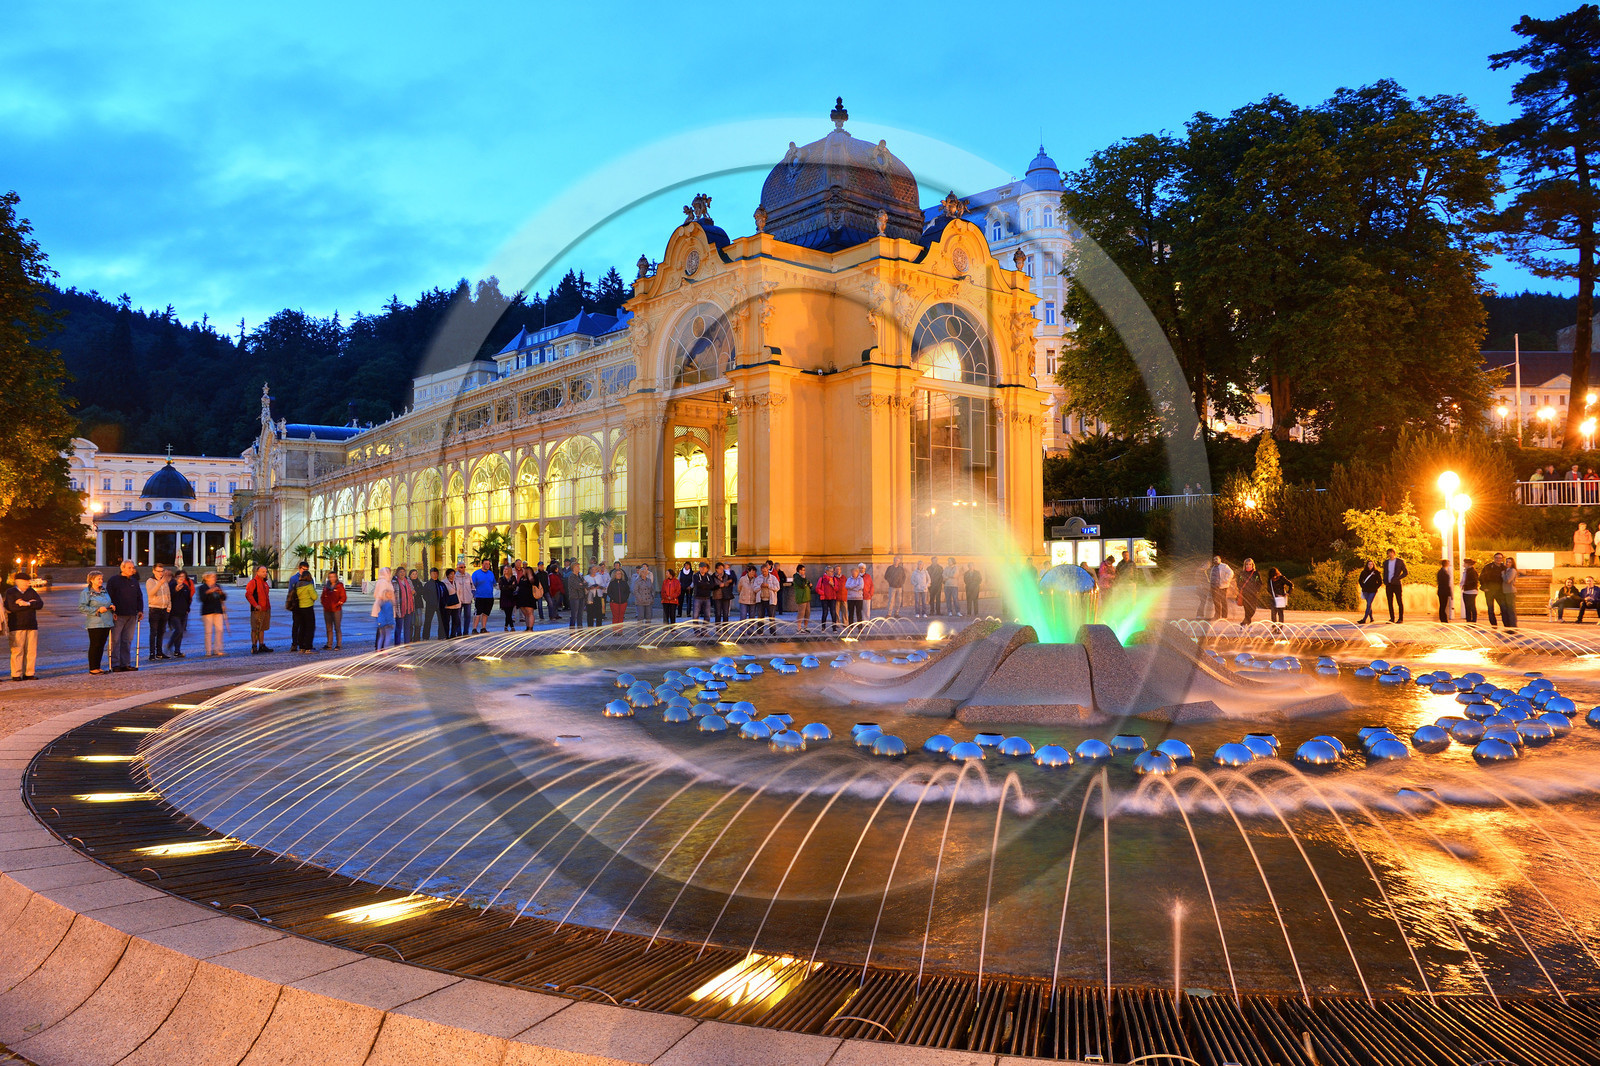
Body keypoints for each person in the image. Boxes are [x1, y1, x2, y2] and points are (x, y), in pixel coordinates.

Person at [4, 572, 43, 681]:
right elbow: (12, 608)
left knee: (31, 650)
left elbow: (40, 604)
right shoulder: (11, 592)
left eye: (28, 582)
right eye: (25, 582)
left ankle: (29, 673)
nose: (27, 584)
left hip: (32, 625)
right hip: (16, 625)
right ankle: (16, 674)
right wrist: (30, 605)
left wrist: (26, 604)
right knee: (17, 650)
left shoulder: (31, 591)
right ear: (18, 582)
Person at [106, 560, 144, 670]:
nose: (132, 570)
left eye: (133, 567)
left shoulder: (134, 581)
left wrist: (140, 610)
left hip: (131, 615)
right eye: (129, 568)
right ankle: (115, 664)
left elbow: (139, 596)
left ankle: (125, 663)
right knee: (115, 640)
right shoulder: (114, 580)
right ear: (122, 568)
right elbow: (108, 597)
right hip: (118, 615)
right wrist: (112, 611)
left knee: (127, 640)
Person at [79, 570, 114, 673]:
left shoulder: (104, 591)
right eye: (98, 579)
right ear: (91, 580)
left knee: (101, 645)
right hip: (95, 623)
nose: (101, 581)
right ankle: (93, 668)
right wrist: (97, 610)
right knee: (95, 645)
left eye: (101, 578)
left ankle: (98, 666)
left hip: (106, 621)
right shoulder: (86, 592)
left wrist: (111, 606)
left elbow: (107, 601)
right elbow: (82, 607)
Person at [286, 561, 317, 654]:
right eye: (304, 569)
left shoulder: (305, 581)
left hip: (301, 606)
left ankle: (302, 645)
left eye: (307, 569)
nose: (305, 571)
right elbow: (314, 595)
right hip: (299, 607)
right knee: (300, 625)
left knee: (303, 626)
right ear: (299, 568)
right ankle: (298, 644)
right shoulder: (294, 579)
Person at [146, 563, 172, 660]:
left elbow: (168, 594)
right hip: (154, 609)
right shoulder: (150, 581)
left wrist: (169, 607)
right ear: (154, 571)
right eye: (158, 571)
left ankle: (159, 652)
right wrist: (159, 583)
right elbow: (151, 593)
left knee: (161, 632)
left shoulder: (164, 581)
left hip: (164, 609)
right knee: (153, 632)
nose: (160, 573)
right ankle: (152, 653)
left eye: (162, 571)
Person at [167, 568, 194, 657]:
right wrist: (176, 590)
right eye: (179, 576)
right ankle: (169, 645)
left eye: (183, 576)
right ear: (175, 577)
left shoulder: (185, 587)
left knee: (181, 632)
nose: (181, 578)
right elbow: (169, 597)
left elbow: (188, 599)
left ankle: (177, 651)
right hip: (174, 613)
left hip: (183, 613)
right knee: (178, 630)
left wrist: (187, 609)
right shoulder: (172, 585)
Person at [245, 565, 273, 653]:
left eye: (266, 572)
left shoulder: (265, 583)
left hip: (265, 609)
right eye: (263, 572)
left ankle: (261, 645)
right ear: (258, 572)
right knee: (255, 628)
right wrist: (255, 605)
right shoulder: (253, 582)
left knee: (262, 628)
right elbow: (248, 595)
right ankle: (254, 646)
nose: (265, 573)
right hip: (257, 610)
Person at [199, 572, 227, 656]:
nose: (214, 578)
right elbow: (202, 599)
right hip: (207, 611)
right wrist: (209, 591)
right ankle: (208, 650)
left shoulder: (218, 586)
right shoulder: (202, 587)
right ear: (206, 578)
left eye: (215, 577)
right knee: (208, 631)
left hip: (218, 610)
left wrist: (221, 593)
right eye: (212, 577)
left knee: (220, 630)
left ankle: (217, 649)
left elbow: (223, 598)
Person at [321, 570, 346, 650]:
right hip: (327, 610)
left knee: (337, 627)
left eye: (333, 577)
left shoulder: (339, 586)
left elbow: (343, 597)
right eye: (330, 577)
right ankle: (329, 644)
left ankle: (338, 644)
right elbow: (322, 597)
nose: (332, 578)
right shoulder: (326, 587)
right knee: (329, 628)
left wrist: (338, 604)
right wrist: (325, 604)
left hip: (336, 610)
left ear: (336, 577)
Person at [371, 566, 396, 649]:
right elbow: (382, 594)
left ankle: (380, 647)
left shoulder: (386, 582)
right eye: (388, 572)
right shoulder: (383, 582)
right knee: (383, 629)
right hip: (383, 608)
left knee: (382, 629)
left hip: (384, 607)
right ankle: (381, 647)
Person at [1382, 549, 1408, 624]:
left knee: (1399, 601)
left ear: (1394, 553)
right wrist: (1385, 580)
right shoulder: (1386, 562)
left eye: (1391, 553)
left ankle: (1400, 618)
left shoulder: (1400, 561)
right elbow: (1385, 573)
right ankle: (1392, 618)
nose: (1390, 554)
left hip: (1397, 584)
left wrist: (1398, 578)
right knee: (1390, 602)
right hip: (1389, 584)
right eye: (1388, 553)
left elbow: (1405, 572)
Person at [471, 559, 497, 634]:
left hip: (489, 597)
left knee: (486, 613)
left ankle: (483, 628)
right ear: (482, 564)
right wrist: (473, 595)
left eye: (488, 564)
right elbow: (472, 585)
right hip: (479, 596)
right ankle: (474, 628)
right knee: (478, 613)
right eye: (485, 564)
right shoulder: (476, 573)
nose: (487, 565)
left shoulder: (491, 574)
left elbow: (494, 584)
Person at [1480, 554, 1505, 627]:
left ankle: (1506, 624)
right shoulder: (1488, 567)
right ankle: (1494, 625)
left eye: (1500, 558)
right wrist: (1484, 587)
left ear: (1502, 559)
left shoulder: (1504, 568)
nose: (1498, 559)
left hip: (1500, 591)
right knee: (1490, 609)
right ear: (1494, 558)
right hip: (1489, 591)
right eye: (1496, 558)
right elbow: (1482, 577)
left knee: (1503, 608)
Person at [1236, 559, 1262, 626]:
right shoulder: (1242, 573)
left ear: (1252, 565)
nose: (1248, 566)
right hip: (1245, 594)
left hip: (1253, 594)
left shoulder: (1256, 574)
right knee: (1247, 609)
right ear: (1244, 565)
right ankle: (1248, 624)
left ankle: (1244, 622)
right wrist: (1241, 589)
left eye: (1250, 564)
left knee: (1253, 610)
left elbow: (1259, 583)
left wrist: (1256, 590)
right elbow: (1239, 582)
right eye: (1247, 564)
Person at [1207, 556, 1234, 621]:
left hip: (1222, 587)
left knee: (1223, 601)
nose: (1215, 560)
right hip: (1214, 587)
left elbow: (1231, 572)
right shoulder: (1213, 567)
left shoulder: (1224, 566)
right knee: (1216, 601)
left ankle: (1224, 616)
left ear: (1220, 559)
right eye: (1214, 559)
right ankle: (1217, 615)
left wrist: (1226, 579)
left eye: (1217, 559)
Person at [439, 567, 462, 636]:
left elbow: (459, 592)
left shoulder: (456, 582)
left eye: (453, 574)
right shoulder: (443, 582)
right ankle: (446, 634)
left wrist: (460, 601)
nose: (452, 575)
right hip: (448, 605)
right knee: (446, 621)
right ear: (447, 575)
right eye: (451, 574)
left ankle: (453, 634)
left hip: (456, 604)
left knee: (455, 620)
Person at [420, 567, 441, 639]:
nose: (434, 575)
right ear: (430, 574)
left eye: (436, 573)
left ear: (438, 574)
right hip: (430, 605)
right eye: (433, 573)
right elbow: (424, 595)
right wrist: (429, 601)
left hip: (439, 605)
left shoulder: (441, 584)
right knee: (427, 621)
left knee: (441, 621)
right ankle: (425, 636)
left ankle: (441, 636)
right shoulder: (427, 584)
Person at [454, 564, 475, 634]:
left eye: (464, 567)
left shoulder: (468, 576)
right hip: (458, 600)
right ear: (457, 568)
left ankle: (466, 631)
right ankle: (458, 631)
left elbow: (472, 586)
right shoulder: (455, 577)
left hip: (467, 599)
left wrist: (472, 595)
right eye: (461, 567)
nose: (463, 568)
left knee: (468, 616)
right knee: (458, 617)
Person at [815, 565, 837, 631]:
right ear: (826, 571)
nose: (832, 573)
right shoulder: (822, 579)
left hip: (832, 598)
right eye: (830, 571)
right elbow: (817, 589)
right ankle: (823, 627)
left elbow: (837, 589)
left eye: (832, 571)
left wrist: (833, 585)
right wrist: (823, 593)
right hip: (824, 598)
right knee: (825, 612)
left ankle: (834, 627)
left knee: (833, 612)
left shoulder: (834, 579)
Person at [712, 562, 735, 626]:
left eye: (722, 569)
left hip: (726, 596)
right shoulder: (713, 576)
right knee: (718, 613)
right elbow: (711, 587)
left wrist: (727, 583)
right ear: (716, 569)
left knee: (726, 613)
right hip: (717, 596)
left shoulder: (726, 575)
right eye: (720, 569)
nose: (721, 570)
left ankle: (725, 628)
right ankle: (718, 628)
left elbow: (732, 581)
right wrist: (718, 586)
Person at [1501, 554, 1520, 628]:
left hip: (1510, 592)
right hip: (1505, 591)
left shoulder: (1512, 570)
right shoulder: (1506, 570)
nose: (1507, 563)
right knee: (1506, 609)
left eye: (1509, 562)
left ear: (1512, 563)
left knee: (1511, 609)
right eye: (1507, 562)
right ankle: (1508, 625)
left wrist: (1503, 574)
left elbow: (1508, 580)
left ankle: (1513, 625)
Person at [792, 564, 812, 631]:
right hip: (801, 597)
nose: (804, 571)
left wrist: (810, 585)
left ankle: (805, 627)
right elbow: (802, 585)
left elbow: (807, 583)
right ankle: (799, 627)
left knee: (807, 613)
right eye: (803, 570)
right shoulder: (797, 577)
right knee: (801, 613)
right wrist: (804, 579)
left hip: (806, 597)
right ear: (799, 570)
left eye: (804, 570)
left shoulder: (803, 577)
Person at [499, 564, 518, 632]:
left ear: (509, 570)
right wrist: (509, 586)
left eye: (506, 569)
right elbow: (501, 587)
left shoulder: (513, 578)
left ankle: (506, 626)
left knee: (509, 612)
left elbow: (514, 587)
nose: (505, 570)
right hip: (504, 597)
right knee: (507, 613)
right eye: (504, 569)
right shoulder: (501, 578)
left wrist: (507, 586)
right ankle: (511, 626)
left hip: (511, 597)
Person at [1460, 559, 1479, 624]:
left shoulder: (1472, 571)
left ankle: (1473, 620)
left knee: (1471, 606)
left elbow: (1474, 581)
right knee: (1467, 606)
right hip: (1466, 590)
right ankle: (1468, 620)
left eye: (1465, 563)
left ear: (1468, 564)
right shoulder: (1466, 571)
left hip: (1471, 591)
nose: (1463, 564)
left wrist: (1465, 585)